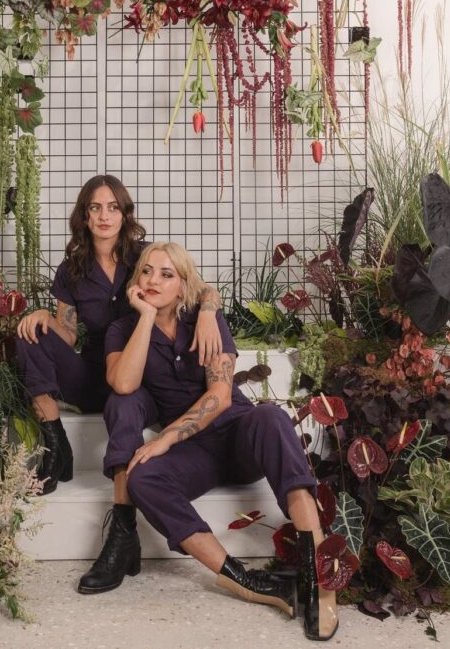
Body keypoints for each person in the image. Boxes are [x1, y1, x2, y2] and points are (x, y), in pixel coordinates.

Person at [99, 242, 338, 641]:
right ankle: (245, 580)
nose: (154, 280)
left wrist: (166, 438)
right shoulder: (121, 330)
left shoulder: (204, 319)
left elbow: (221, 396)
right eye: (147, 272)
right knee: (142, 479)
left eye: (167, 274)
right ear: (135, 280)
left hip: (239, 435)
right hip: (196, 454)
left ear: (183, 285)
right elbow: (124, 384)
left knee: (271, 416)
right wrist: (144, 316)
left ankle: (319, 577)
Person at [14, 174, 224, 500]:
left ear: (124, 213)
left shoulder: (145, 258)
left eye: (113, 207)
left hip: (142, 380)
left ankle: (125, 501)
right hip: (93, 378)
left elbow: (201, 287)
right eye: (95, 208)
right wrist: (43, 317)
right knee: (29, 336)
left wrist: (208, 312)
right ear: (84, 216)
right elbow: (68, 335)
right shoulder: (71, 270)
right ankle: (55, 445)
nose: (104, 216)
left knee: (126, 399)